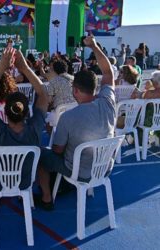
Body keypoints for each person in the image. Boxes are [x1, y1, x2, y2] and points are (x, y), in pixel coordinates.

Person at [37, 36, 116, 210]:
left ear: (75, 90)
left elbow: (57, 151)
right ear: (95, 87)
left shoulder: (69, 117)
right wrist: (94, 46)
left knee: (41, 155)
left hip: (78, 171)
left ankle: (46, 198)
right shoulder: (108, 102)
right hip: (104, 169)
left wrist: (58, 136)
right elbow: (109, 72)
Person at [0, 47, 48, 191]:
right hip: (25, 182)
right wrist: (25, 68)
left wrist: (1, 68)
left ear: (4, 111)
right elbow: (43, 95)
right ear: (26, 112)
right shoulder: (34, 128)